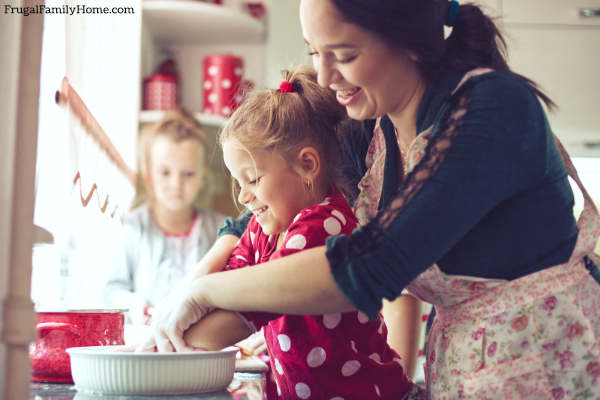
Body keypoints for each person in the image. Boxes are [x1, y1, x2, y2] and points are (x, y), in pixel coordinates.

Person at [147, 0, 600, 398]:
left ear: (408, 42)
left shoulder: (493, 109)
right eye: (314, 52)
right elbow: (254, 216)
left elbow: (367, 266)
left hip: (548, 360)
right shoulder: (371, 126)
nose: (325, 76)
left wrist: (205, 290)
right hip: (468, 365)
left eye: (344, 55)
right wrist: (189, 290)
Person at [164, 67, 422, 399]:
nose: (243, 197)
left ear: (307, 165)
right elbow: (234, 275)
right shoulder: (264, 228)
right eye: (239, 183)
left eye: (253, 180)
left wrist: (171, 334)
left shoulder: (323, 227)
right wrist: (180, 311)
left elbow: (240, 312)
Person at [102, 108, 225, 325]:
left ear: (202, 177)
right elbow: (112, 288)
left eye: (188, 174)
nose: (176, 184)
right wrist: (136, 306)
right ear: (149, 176)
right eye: (165, 173)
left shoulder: (221, 229)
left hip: (201, 342)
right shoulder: (133, 226)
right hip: (146, 339)